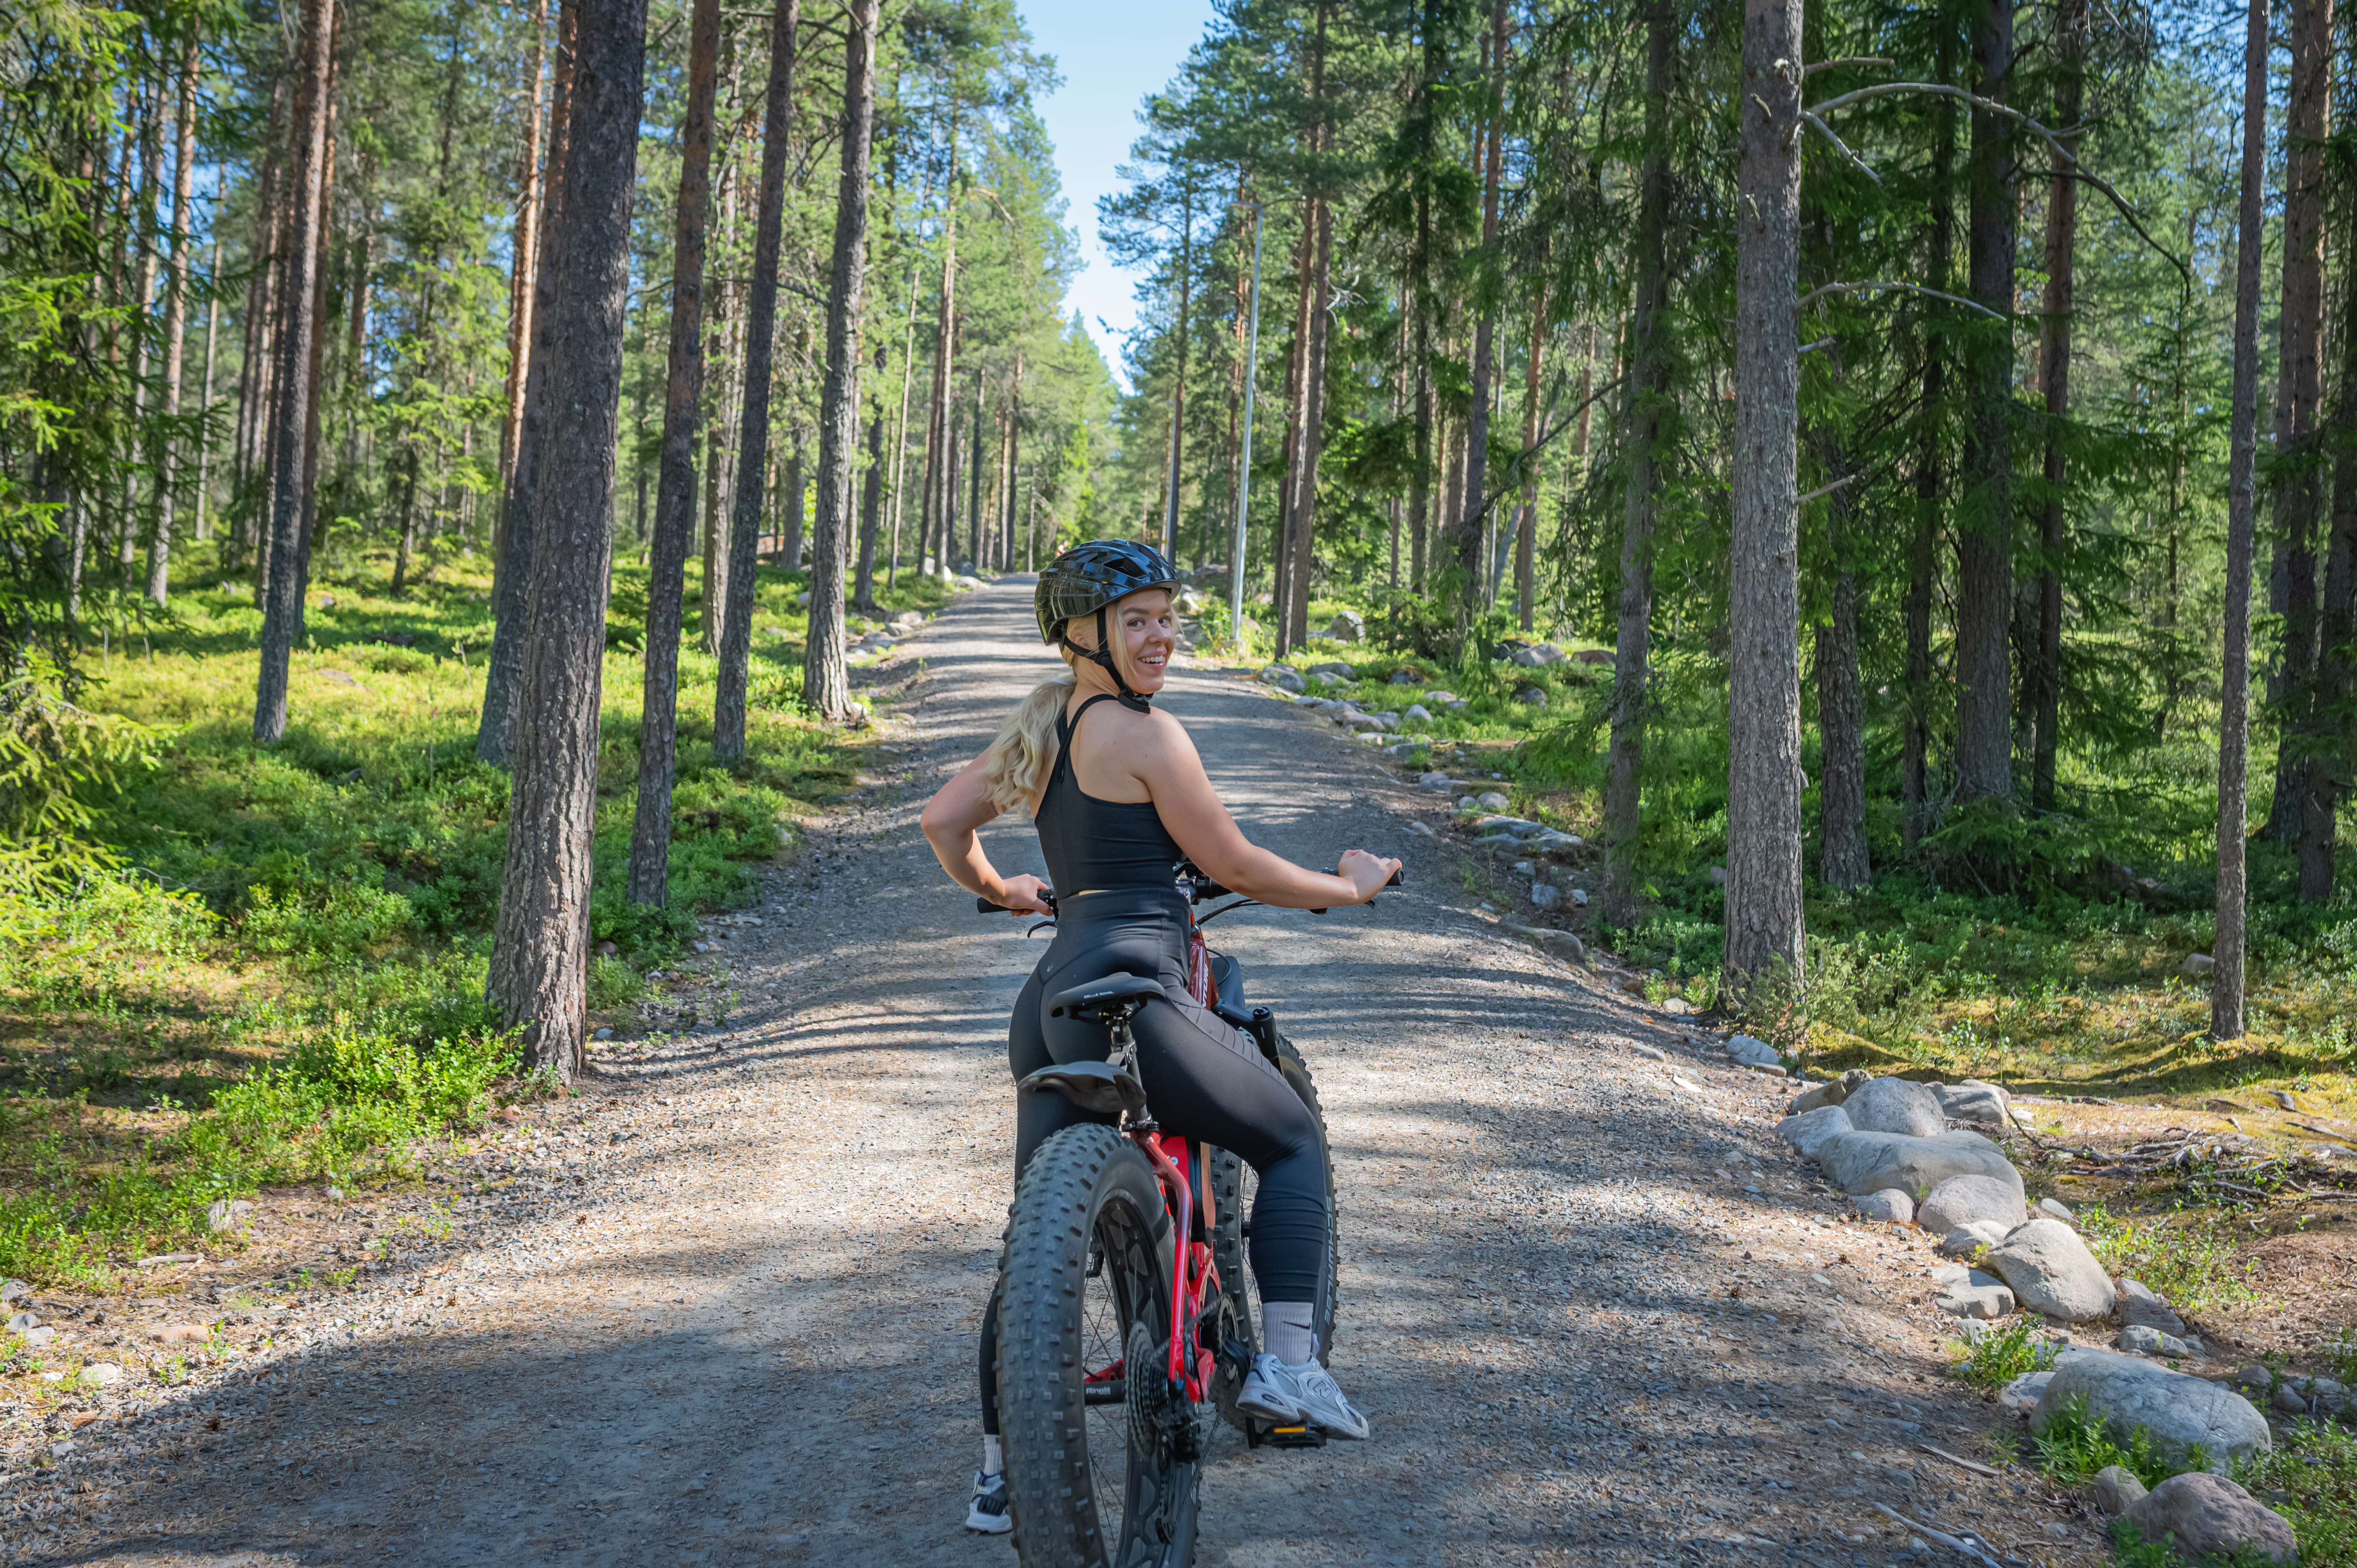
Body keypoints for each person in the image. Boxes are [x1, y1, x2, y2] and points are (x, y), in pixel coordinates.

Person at [920, 540, 1400, 1534]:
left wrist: (1003, 886)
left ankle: (999, 1471)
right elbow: (1234, 863)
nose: (1162, 636)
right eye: (1136, 618)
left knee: (1031, 1244)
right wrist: (1347, 885)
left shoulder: (1041, 726)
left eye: (1167, 615)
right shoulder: (1148, 737)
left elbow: (943, 819)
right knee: (1289, 1140)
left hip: (1053, 998)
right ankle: (1291, 1372)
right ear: (1083, 634)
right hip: (1147, 989)